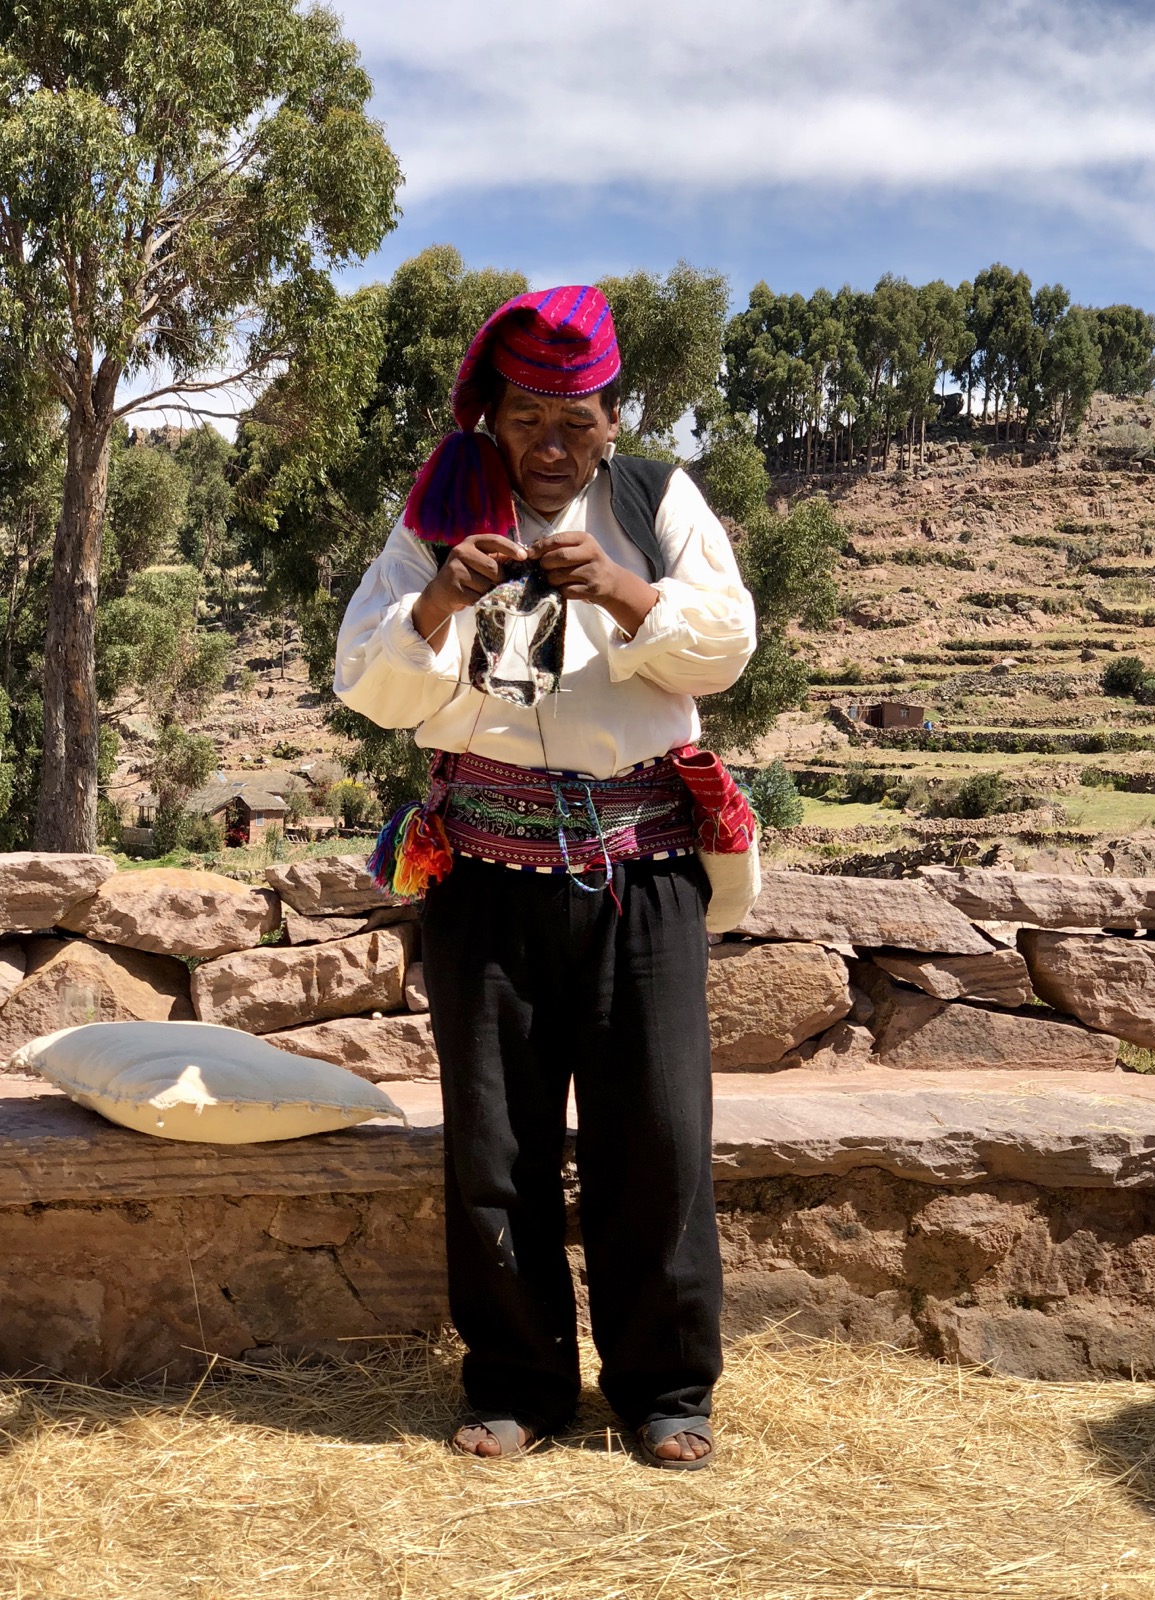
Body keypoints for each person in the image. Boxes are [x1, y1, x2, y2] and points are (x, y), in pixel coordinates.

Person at [334, 285, 756, 1469]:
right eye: (528, 419)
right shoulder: (438, 515)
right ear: (494, 420)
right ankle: (516, 1381)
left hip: (645, 867)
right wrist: (444, 595)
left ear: (612, 416)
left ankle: (667, 1391)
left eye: (575, 417)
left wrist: (624, 591)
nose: (553, 444)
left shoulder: (659, 501)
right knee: (497, 1145)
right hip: (484, 874)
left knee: (659, 1135)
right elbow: (368, 683)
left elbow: (728, 642)